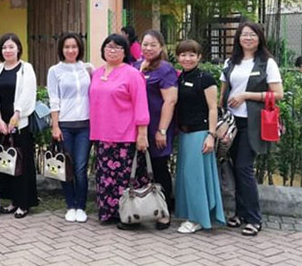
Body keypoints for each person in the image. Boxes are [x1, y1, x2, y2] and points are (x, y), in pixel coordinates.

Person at [220, 22, 283, 236]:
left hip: (252, 123)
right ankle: (240, 214)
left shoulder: (267, 63)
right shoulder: (230, 62)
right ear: (238, 38)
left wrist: (246, 95)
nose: (248, 38)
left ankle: (255, 218)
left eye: (252, 35)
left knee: (243, 168)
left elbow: (277, 94)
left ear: (259, 38)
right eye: (244, 34)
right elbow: (223, 92)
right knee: (234, 167)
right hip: (231, 123)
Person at [89, 34, 150, 229]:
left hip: (125, 135)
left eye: (117, 47)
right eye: (109, 46)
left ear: (125, 52)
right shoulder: (97, 73)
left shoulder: (132, 74)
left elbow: (141, 104)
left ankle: (129, 216)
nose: (112, 50)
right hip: (102, 135)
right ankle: (109, 213)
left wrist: (142, 134)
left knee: (124, 178)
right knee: (105, 177)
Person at [173, 39, 225, 234]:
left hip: (200, 133)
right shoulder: (179, 78)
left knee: (195, 177)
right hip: (184, 134)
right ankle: (192, 214)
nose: (187, 58)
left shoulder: (206, 78)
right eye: (183, 55)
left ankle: (197, 219)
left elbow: (213, 108)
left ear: (199, 57)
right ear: (177, 57)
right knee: (186, 176)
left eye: (191, 55)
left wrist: (211, 135)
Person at [132, 29, 178, 228]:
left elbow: (170, 101)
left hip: (157, 128)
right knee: (141, 169)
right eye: (145, 44)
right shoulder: (135, 66)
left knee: (159, 169)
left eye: (153, 45)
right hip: (137, 128)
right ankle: (142, 209)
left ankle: (164, 211)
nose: (148, 48)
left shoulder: (165, 69)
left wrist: (162, 131)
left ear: (161, 47)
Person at [0, 33, 38, 218]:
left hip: (20, 124)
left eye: (11, 47)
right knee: (6, 163)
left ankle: (23, 203)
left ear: (18, 48)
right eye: (4, 47)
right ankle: (11, 201)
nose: (7, 50)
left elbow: (28, 94)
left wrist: (15, 118)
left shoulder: (26, 68)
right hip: (2, 124)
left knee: (21, 164)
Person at [47, 32, 92, 223]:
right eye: (67, 47)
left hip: (85, 126)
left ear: (79, 48)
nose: (71, 50)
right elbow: (54, 99)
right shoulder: (55, 71)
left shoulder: (88, 68)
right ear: (61, 49)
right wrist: (55, 126)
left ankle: (81, 206)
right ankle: (70, 205)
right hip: (65, 125)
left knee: (81, 168)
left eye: (74, 46)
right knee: (66, 167)